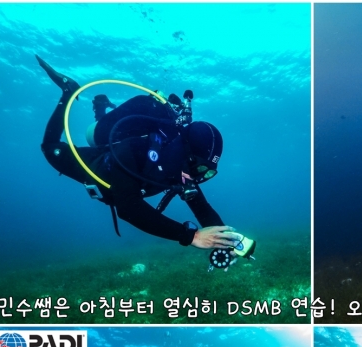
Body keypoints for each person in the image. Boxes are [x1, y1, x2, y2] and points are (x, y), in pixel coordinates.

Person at [36, 55, 245, 257]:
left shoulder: (183, 169)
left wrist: (229, 243)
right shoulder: (135, 150)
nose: (197, 178)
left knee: (102, 133)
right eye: (198, 168)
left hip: (121, 155)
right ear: (183, 152)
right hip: (97, 166)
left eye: (207, 173)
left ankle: (100, 109)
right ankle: (68, 91)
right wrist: (192, 236)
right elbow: (128, 208)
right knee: (50, 148)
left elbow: (203, 208)